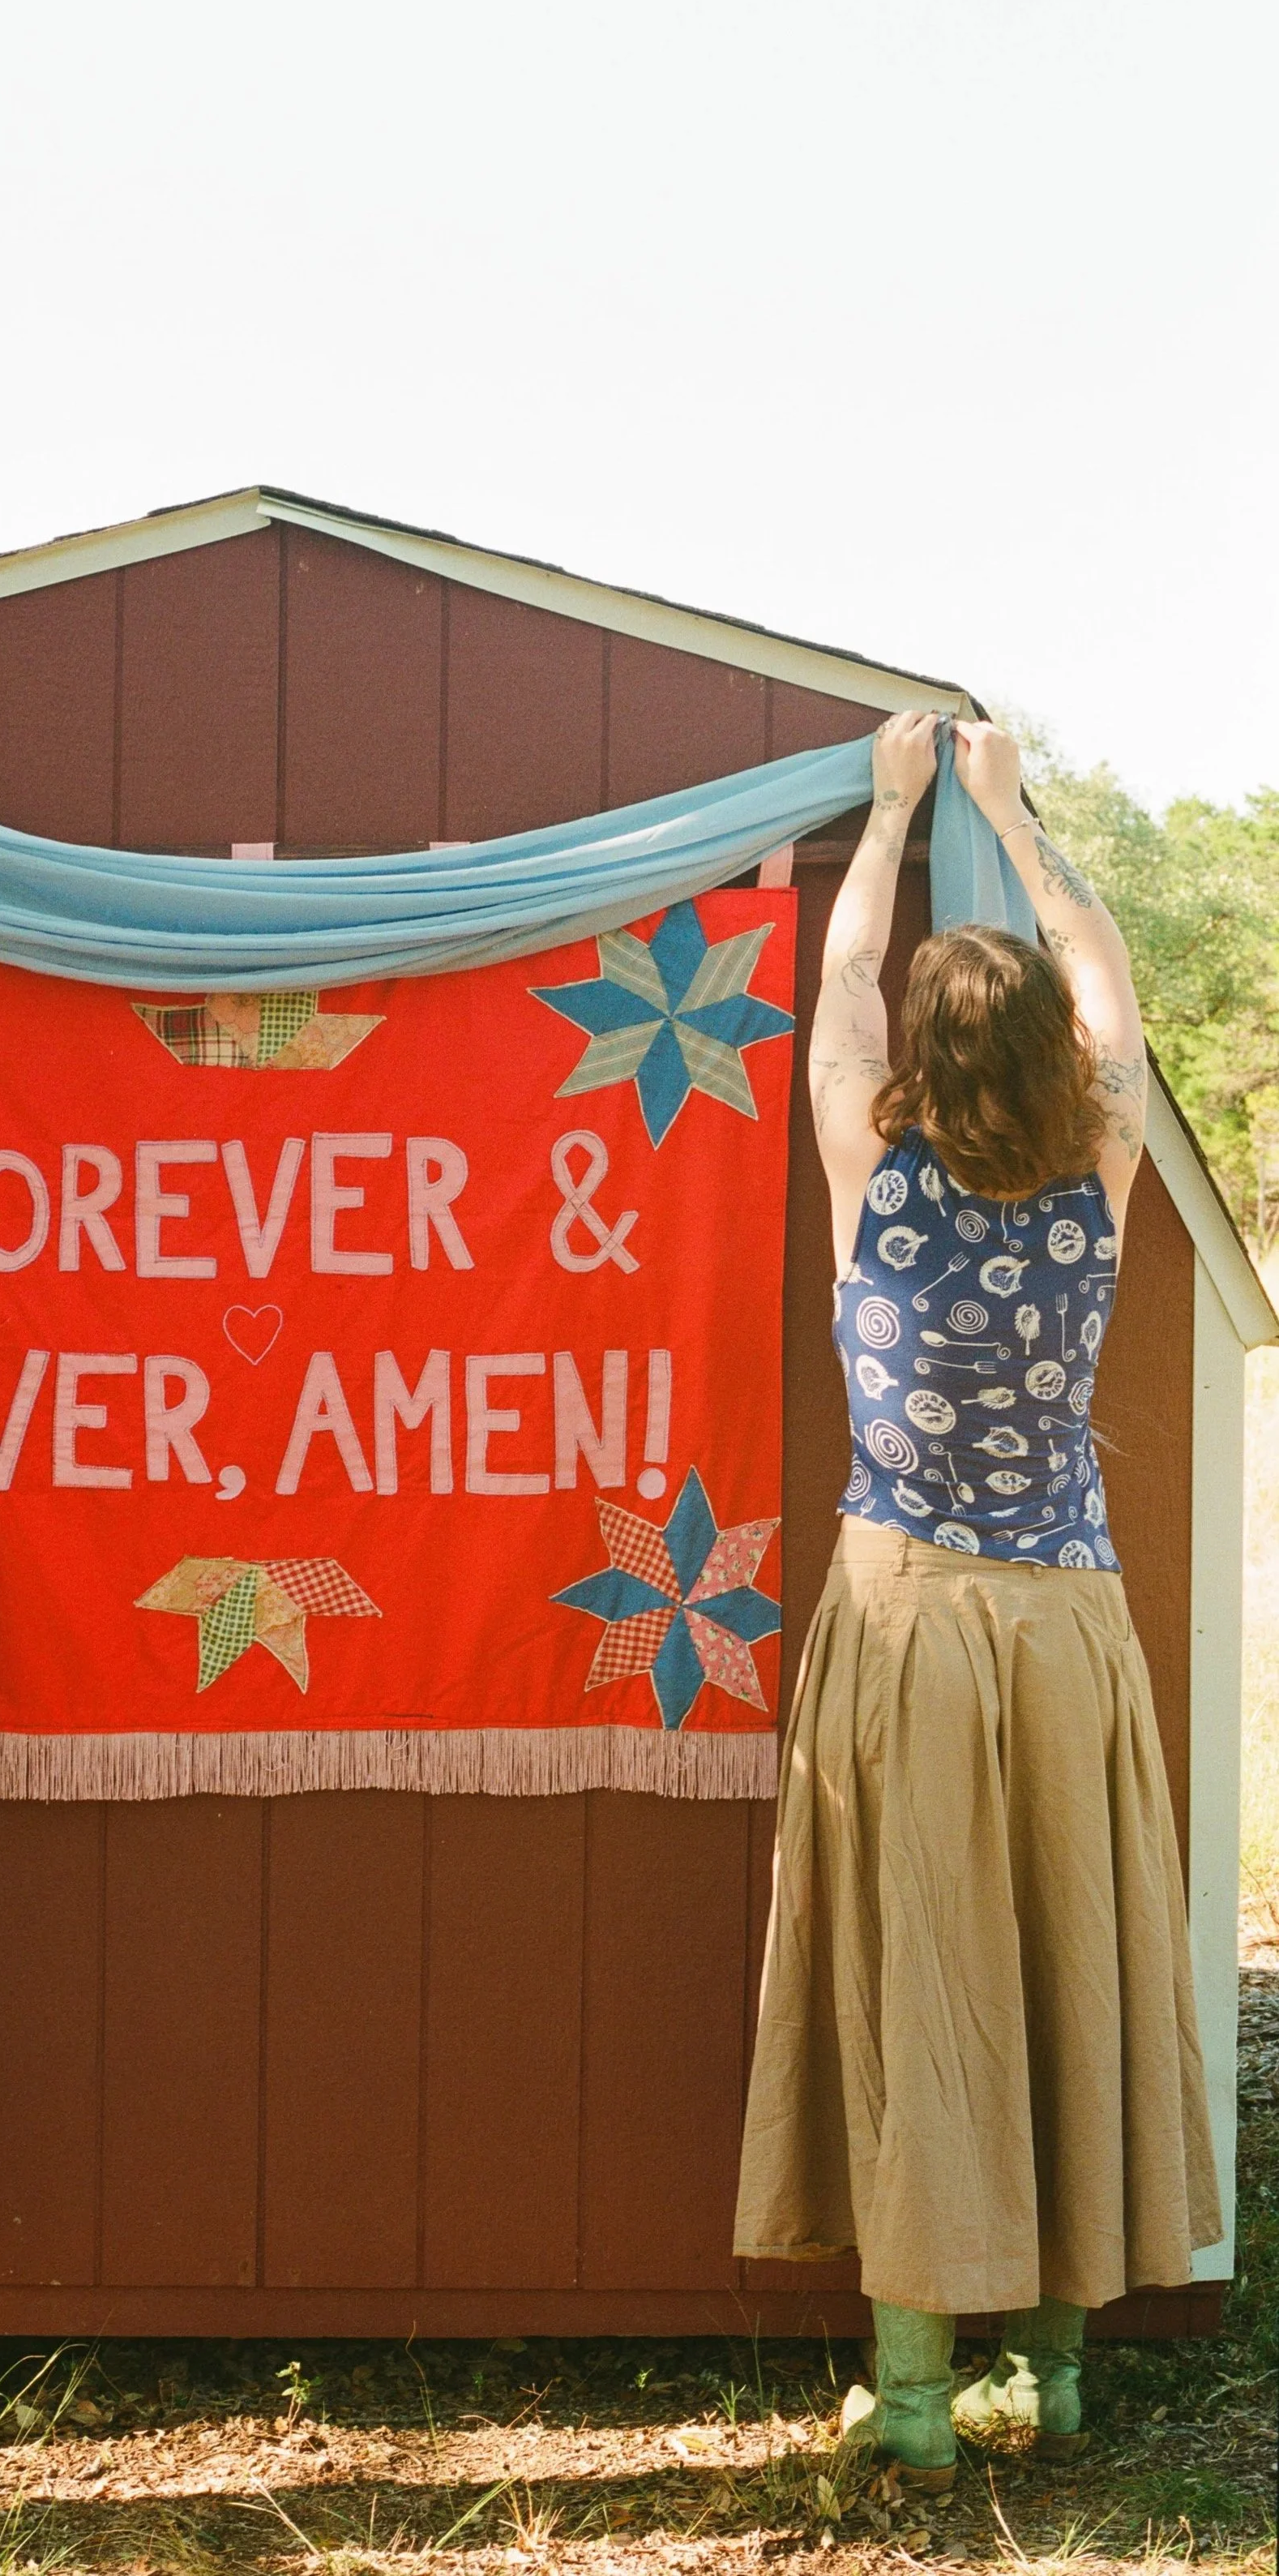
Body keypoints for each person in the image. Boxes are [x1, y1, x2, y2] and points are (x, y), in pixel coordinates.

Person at [733, 713, 1220, 2488]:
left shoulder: (881, 1188)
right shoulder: (1096, 1182)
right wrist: (1016, 823)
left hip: (916, 1617)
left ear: (918, 1066)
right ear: (1049, 1059)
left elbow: (846, 976)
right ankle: (1067, 2378)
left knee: (928, 1979)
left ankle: (923, 2397)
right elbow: (1114, 989)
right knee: (1064, 1960)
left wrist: (888, 816)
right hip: (1069, 1627)